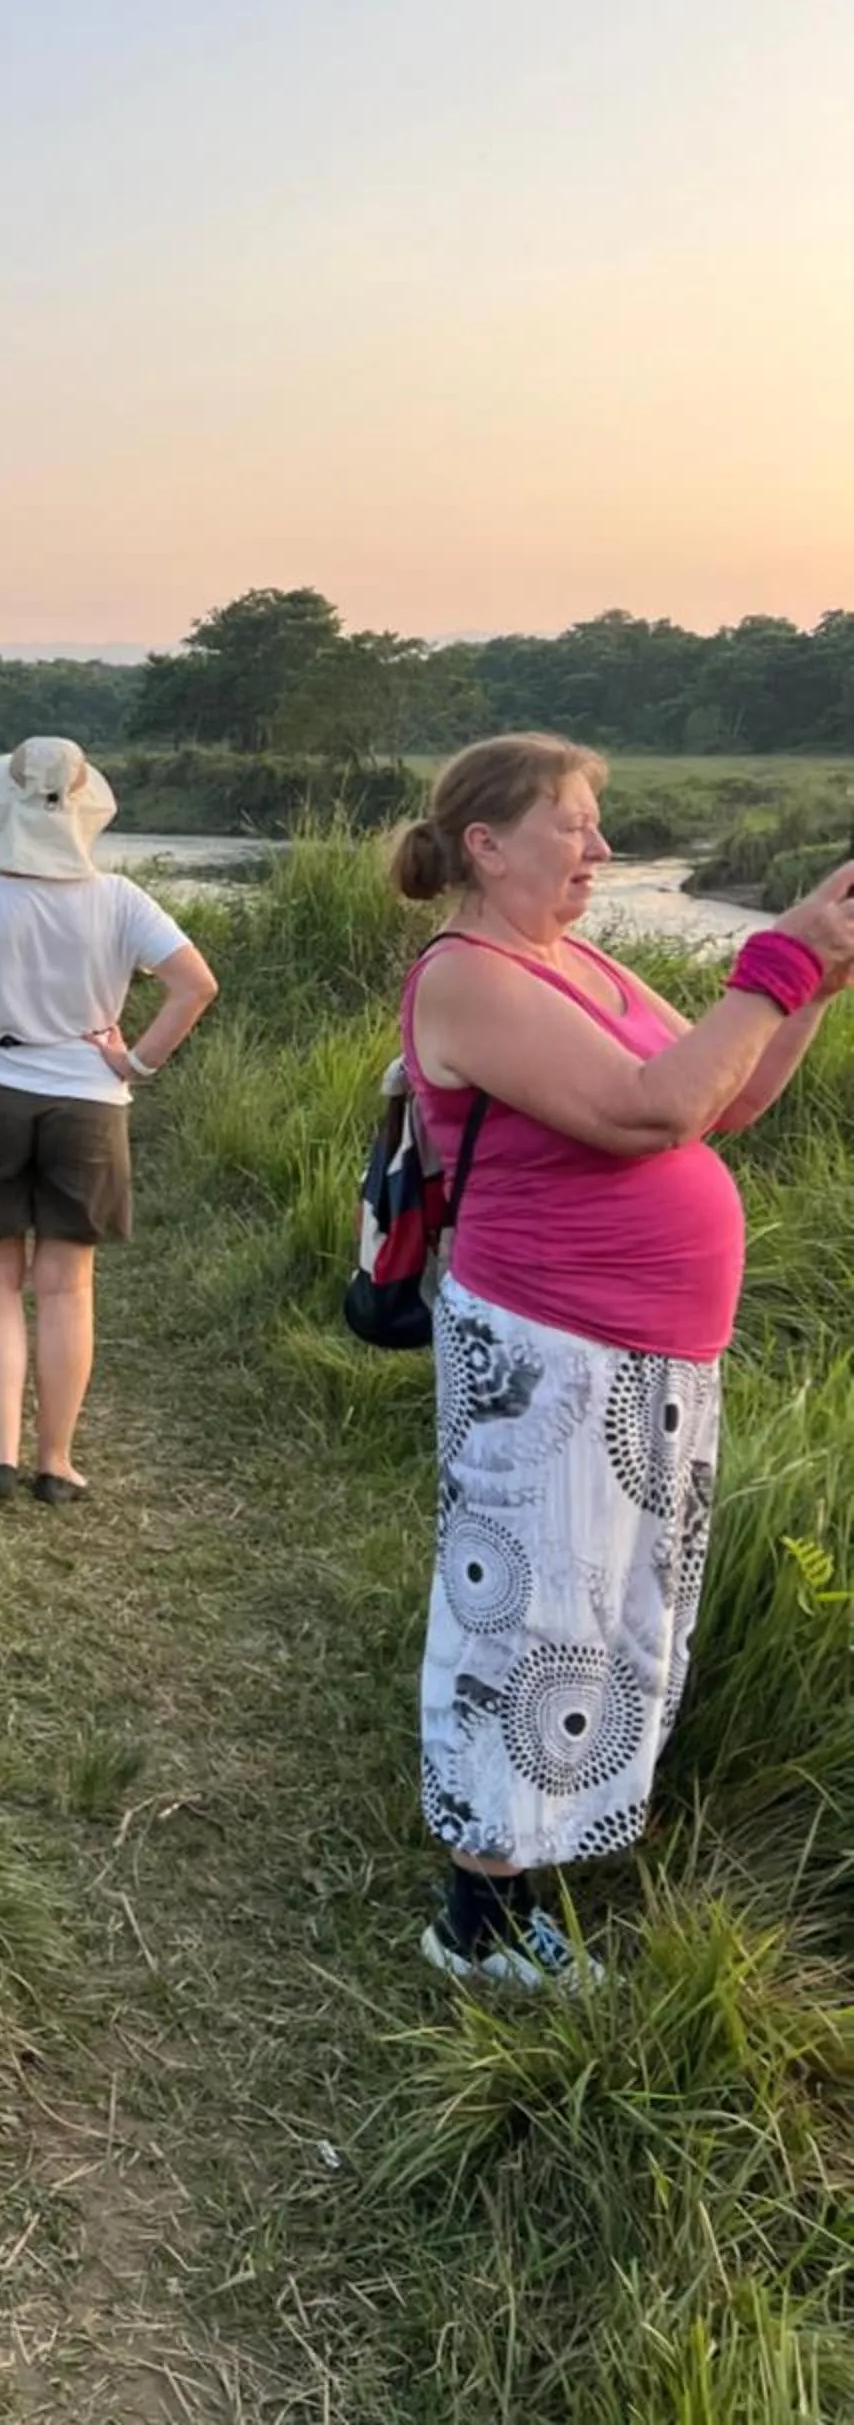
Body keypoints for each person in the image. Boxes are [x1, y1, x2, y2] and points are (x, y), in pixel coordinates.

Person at [390, 734, 854, 1985]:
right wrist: (777, 962)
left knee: (604, 1625)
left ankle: (532, 1863)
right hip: (548, 1355)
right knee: (526, 1623)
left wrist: (812, 984)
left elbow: (722, 1098)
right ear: (488, 846)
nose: (600, 846)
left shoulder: (580, 960)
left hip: (645, 1360)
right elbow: (647, 1112)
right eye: (574, 823)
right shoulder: (467, 977)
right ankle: (477, 1922)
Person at [0, 739, 217, 1500]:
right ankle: (57, 1461)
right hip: (89, 1101)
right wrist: (135, 1063)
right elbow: (194, 985)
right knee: (67, 1286)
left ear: (2, 811)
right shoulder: (121, 899)